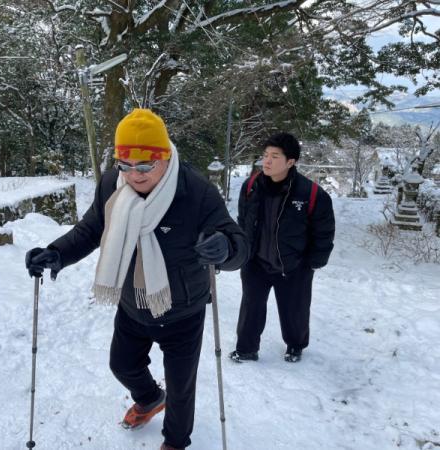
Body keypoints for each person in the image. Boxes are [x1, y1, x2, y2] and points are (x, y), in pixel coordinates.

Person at [25, 109, 249, 450]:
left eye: (145, 166)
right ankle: (149, 398)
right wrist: (57, 252)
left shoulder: (196, 191)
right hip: (133, 302)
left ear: (165, 156)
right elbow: (92, 228)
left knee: (180, 387)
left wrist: (226, 247)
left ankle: (175, 442)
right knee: (122, 365)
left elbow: (239, 244)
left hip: (182, 309)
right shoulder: (111, 184)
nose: (134, 175)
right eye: (125, 164)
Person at [229, 132, 335, 364]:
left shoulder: (311, 194)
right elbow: (243, 221)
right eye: (265, 154)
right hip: (256, 262)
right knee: (251, 307)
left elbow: (323, 232)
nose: (266, 161)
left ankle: (296, 345)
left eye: (275, 156)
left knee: (295, 309)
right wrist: (242, 249)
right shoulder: (251, 186)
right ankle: (246, 349)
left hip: (293, 265)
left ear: (290, 162)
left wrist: (314, 261)